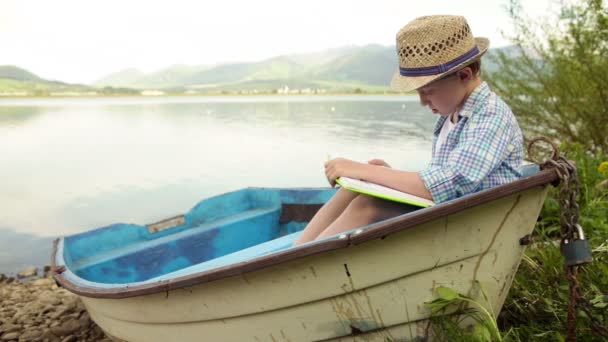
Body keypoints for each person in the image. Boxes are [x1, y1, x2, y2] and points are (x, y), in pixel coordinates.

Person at [292, 15, 524, 247]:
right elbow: (441, 181)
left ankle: (301, 267)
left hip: (476, 224)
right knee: (358, 184)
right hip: (451, 212)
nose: (423, 101)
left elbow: (449, 184)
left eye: (428, 90)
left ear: (464, 75)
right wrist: (378, 174)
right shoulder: (452, 114)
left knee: (369, 205)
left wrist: (361, 170)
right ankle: (297, 252)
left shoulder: (491, 115)